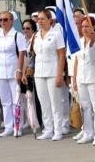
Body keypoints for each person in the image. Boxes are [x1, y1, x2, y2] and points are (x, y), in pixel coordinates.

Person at [0, 11, 26, 137]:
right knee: (5, 101)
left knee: (16, 100)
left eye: (5, 20)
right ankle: (9, 126)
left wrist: (19, 71)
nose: (3, 22)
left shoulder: (17, 35)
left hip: (13, 71)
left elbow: (21, 54)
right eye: (1, 20)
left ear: (11, 21)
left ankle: (18, 126)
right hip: (1, 72)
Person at [31, 10, 66, 141]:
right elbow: (34, 54)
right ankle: (48, 129)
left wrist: (59, 75)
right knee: (44, 103)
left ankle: (58, 130)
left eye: (42, 18)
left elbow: (62, 55)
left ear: (50, 19)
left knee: (55, 103)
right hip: (39, 73)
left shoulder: (56, 34)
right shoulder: (36, 35)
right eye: (38, 19)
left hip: (53, 72)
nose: (40, 21)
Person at [73, 17, 95, 145]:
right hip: (81, 78)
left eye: (87, 26)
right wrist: (74, 79)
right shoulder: (79, 41)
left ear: (93, 27)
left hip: (94, 77)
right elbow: (76, 62)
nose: (84, 29)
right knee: (85, 107)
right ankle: (88, 132)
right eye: (83, 26)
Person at [21, 19, 42, 128]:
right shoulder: (24, 40)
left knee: (37, 99)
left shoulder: (35, 38)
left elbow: (33, 57)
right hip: (27, 72)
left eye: (28, 28)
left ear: (33, 28)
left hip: (35, 71)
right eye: (23, 28)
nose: (25, 30)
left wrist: (29, 69)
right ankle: (31, 119)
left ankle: (38, 121)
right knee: (29, 98)